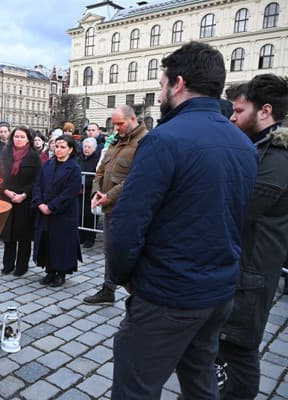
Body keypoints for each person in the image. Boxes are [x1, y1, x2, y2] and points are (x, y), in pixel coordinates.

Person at [106, 41, 258, 400]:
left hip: (168, 295)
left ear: (177, 84)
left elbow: (129, 224)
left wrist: (124, 276)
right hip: (218, 292)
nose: (160, 92)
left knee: (135, 388)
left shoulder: (163, 141)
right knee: (200, 379)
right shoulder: (243, 145)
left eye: (161, 84)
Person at [217, 74, 288, 399]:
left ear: (265, 111)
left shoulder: (276, 158)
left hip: (253, 273)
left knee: (240, 353)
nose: (232, 117)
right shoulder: (260, 149)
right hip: (242, 268)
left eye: (240, 110)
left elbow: (239, 209)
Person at [83, 104, 148, 304]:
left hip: (130, 209)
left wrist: (108, 195)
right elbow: (101, 169)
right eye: (114, 124)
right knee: (110, 251)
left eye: (120, 123)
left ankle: (139, 296)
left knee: (129, 252)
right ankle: (108, 290)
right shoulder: (116, 141)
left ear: (132, 119)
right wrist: (96, 192)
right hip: (110, 207)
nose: (116, 127)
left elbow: (136, 178)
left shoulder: (145, 141)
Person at [32, 135, 82, 287]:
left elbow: (70, 192)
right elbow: (38, 184)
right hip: (44, 210)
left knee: (61, 243)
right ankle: (50, 270)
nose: (58, 150)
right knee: (47, 241)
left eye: (63, 147)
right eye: (57, 146)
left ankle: (61, 273)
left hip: (63, 213)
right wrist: (40, 203)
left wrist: (52, 206)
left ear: (70, 149)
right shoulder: (48, 164)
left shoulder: (74, 168)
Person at [0, 126, 42, 276]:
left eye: (22, 137)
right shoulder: (5, 153)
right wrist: (6, 191)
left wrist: (24, 194)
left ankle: (21, 266)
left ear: (28, 139)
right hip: (7, 197)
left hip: (25, 200)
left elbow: (37, 179)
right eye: (16, 136)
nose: (19, 139)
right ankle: (7, 264)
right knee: (8, 234)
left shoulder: (33, 156)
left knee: (24, 236)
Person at [77, 137, 101, 248]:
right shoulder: (79, 158)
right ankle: (81, 236)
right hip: (79, 191)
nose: (86, 149)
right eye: (85, 147)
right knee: (80, 214)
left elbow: (97, 175)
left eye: (89, 147)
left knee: (90, 215)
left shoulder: (97, 160)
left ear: (95, 148)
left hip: (90, 191)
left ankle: (90, 238)